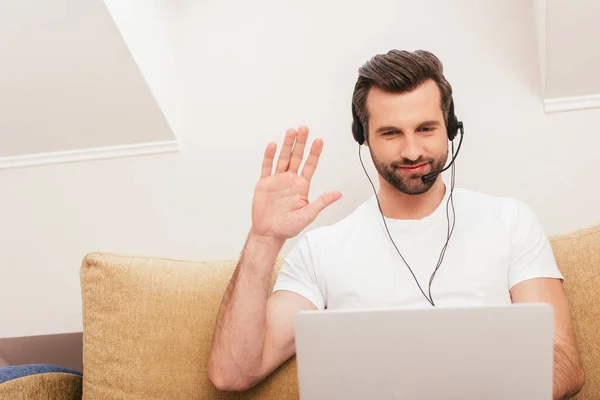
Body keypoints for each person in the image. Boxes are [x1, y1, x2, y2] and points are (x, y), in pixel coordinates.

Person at [207, 49, 585, 399]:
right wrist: (263, 239)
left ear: (450, 128)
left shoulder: (510, 221)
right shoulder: (321, 250)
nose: (411, 151)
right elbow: (233, 374)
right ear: (364, 138)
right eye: (390, 133)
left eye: (425, 129)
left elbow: (563, 361)